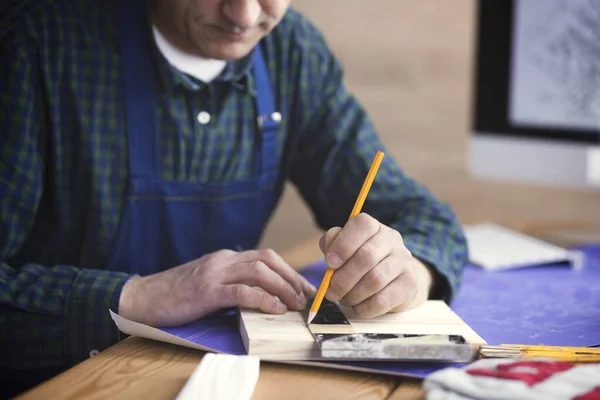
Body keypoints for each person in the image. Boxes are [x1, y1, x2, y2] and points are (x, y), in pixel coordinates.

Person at [0, 0, 469, 395]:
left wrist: (408, 270)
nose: (244, 16)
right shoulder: (36, 41)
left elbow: (424, 218)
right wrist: (135, 296)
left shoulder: (291, 52)